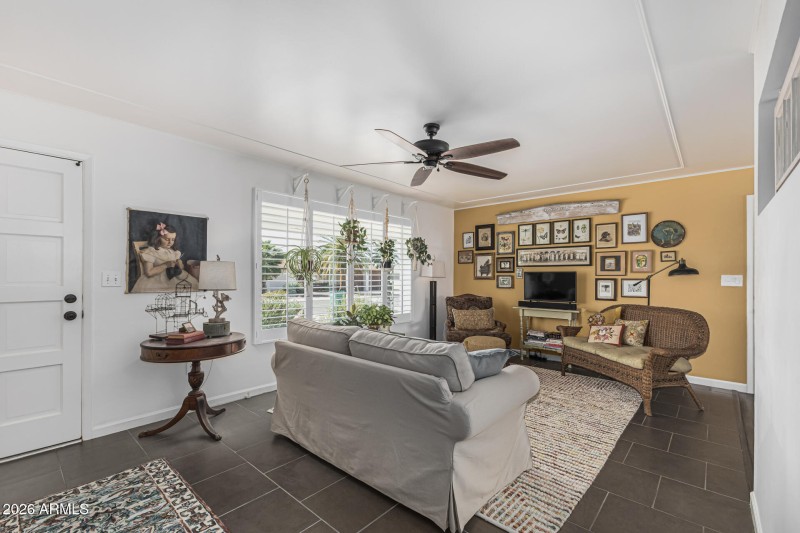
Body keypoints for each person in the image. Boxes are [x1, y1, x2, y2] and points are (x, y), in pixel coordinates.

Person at [131, 222, 199, 293]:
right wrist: (166, 265)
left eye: (173, 239)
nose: (170, 242)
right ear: (158, 238)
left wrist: (179, 264)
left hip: (174, 277)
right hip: (157, 280)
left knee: (193, 284)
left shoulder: (173, 252)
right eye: (167, 239)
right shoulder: (151, 252)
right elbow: (149, 272)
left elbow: (181, 268)